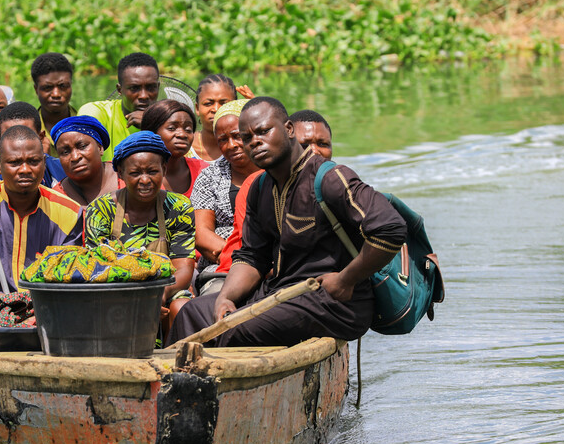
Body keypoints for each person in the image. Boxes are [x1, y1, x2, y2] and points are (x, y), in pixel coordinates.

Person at [167, 98, 406, 348]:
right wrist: (225, 297)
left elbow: (390, 228)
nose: (254, 142)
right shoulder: (260, 188)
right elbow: (251, 256)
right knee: (192, 314)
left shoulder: (330, 178)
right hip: (279, 292)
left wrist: (346, 279)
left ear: (289, 129)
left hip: (332, 303)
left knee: (235, 327)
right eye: (247, 138)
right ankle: (169, 384)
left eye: (263, 131)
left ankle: (208, 384)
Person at [0, 126, 84, 347]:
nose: (25, 170)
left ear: (44, 163)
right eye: (14, 162)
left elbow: (70, 276)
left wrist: (31, 306)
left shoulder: (69, 212)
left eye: (33, 161)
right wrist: (4, 302)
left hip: (47, 305)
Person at [84, 131, 196, 334]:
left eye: (152, 171)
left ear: (164, 168)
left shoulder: (179, 207)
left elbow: (183, 267)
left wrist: (159, 294)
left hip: (166, 289)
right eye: (135, 173)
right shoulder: (100, 210)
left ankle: (178, 362)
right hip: (114, 292)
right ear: (120, 173)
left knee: (183, 308)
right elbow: (95, 269)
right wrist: (136, 299)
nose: (145, 180)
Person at [213, 109, 336, 280]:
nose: (315, 151)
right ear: (287, 139)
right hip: (249, 274)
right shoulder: (256, 185)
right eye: (305, 144)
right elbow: (253, 254)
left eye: (323, 144)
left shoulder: (336, 181)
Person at [191, 99, 261, 292]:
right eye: (223, 139)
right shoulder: (209, 176)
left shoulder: (274, 170)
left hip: (273, 262)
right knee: (215, 297)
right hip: (222, 266)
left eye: (237, 136)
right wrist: (242, 260)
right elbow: (201, 233)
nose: (231, 145)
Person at [78, 52, 161, 162]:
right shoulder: (98, 113)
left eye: (151, 88)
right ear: (119, 90)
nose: (144, 96)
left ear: (158, 87)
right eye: (134, 88)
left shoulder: (168, 119)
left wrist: (151, 125)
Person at [0, 101, 66, 187]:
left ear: (40, 136)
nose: (18, 143)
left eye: (26, 136)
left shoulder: (60, 170)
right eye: (10, 136)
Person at [140, 99, 209, 198]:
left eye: (188, 129)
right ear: (151, 132)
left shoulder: (203, 171)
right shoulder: (133, 173)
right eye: (172, 128)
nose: (182, 134)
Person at [50, 115, 121, 208]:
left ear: (100, 148)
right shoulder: (56, 200)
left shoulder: (128, 177)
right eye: (65, 152)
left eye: (82, 146)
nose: (75, 157)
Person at [31, 52, 77, 157]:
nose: (56, 94)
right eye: (47, 87)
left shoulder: (85, 125)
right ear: (36, 89)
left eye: (63, 86)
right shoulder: (28, 131)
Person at [191, 74, 237, 162]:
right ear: (197, 108)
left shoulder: (242, 148)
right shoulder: (184, 146)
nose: (216, 109)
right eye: (208, 103)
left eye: (224, 103)